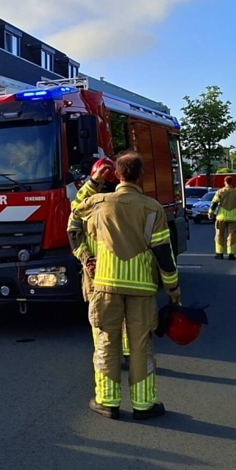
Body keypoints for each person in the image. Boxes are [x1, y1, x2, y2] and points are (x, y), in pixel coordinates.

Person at [71, 152, 181, 420]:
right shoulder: (152, 208)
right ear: (140, 175)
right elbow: (164, 254)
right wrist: (172, 288)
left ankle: (107, 402)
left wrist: (94, 182)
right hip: (141, 288)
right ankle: (144, 405)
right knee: (140, 345)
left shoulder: (98, 203)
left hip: (105, 286)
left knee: (106, 342)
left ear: (117, 175)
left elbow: (74, 213)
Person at [68, 158, 130, 367]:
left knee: (99, 318)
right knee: (125, 314)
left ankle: (105, 355)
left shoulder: (87, 205)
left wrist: (86, 259)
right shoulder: (128, 200)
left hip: (96, 272)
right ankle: (129, 354)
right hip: (124, 270)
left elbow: (74, 223)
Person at [208, 176, 236, 260]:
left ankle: (219, 254)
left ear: (224, 182)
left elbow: (214, 203)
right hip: (232, 218)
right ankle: (231, 254)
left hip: (221, 218)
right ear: (232, 182)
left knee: (219, 235)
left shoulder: (220, 192)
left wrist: (210, 212)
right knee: (231, 236)